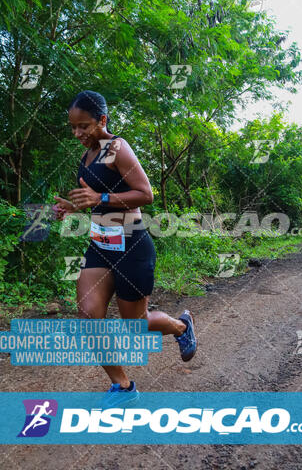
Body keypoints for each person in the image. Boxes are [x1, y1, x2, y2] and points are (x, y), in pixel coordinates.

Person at [53, 90, 197, 405]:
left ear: (102, 120)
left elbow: (146, 194)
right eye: (73, 127)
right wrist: (74, 206)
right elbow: (95, 197)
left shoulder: (116, 148)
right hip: (101, 246)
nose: (78, 134)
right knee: (89, 315)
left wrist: (101, 199)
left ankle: (180, 325)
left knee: (135, 325)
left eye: (84, 126)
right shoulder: (88, 154)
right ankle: (123, 386)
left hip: (132, 244)